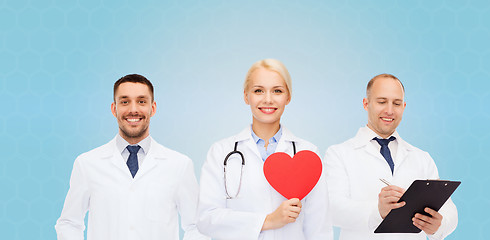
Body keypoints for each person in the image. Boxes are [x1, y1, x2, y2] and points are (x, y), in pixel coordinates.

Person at [55, 74, 208, 240]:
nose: (133, 109)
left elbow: (197, 227)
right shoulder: (87, 164)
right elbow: (70, 223)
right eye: (125, 101)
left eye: (141, 101)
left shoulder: (179, 165)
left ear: (153, 108)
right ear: (114, 109)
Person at [196, 59, 333, 240]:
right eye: (258, 90)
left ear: (288, 97)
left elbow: (319, 228)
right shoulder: (221, 152)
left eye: (277, 91)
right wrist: (267, 221)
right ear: (246, 96)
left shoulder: (308, 153)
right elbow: (206, 219)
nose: (268, 99)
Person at [325, 74, 458, 240]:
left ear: (404, 106)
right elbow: (332, 209)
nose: (389, 110)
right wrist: (378, 211)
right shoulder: (339, 154)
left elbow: (449, 209)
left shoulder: (421, 158)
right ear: (366, 104)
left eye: (396, 103)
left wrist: (439, 225)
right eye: (381, 102)